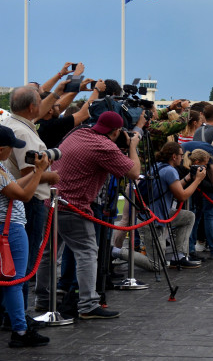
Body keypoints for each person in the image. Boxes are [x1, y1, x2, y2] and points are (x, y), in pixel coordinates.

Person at [34, 111, 141, 319]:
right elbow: (134, 172)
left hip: (52, 200)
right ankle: (88, 304)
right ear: (117, 131)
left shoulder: (78, 133)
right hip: (73, 206)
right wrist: (133, 147)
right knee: (87, 252)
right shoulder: (104, 146)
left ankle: (42, 299)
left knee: (48, 253)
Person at [2, 86, 63, 309]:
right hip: (30, 203)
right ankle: (19, 316)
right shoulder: (23, 133)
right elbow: (29, 173)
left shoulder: (12, 124)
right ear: (31, 106)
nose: (42, 105)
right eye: (39, 101)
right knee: (24, 265)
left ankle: (13, 313)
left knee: (14, 265)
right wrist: (51, 175)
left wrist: (60, 90)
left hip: (20, 203)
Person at [0, 126, 51, 347]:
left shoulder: (1, 167)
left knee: (6, 280)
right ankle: (20, 330)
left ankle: (17, 325)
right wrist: (39, 172)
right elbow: (24, 195)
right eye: (10, 147)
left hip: (6, 227)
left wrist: (33, 172)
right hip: (9, 229)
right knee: (15, 280)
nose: (13, 151)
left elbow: (13, 187)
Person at [130, 142, 205, 270]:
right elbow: (181, 196)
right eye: (181, 155)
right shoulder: (170, 171)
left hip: (157, 215)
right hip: (152, 222)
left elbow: (173, 188)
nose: (182, 158)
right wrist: (198, 180)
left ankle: (179, 257)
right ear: (174, 156)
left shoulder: (158, 166)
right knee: (157, 265)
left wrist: (188, 178)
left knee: (188, 217)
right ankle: (115, 251)